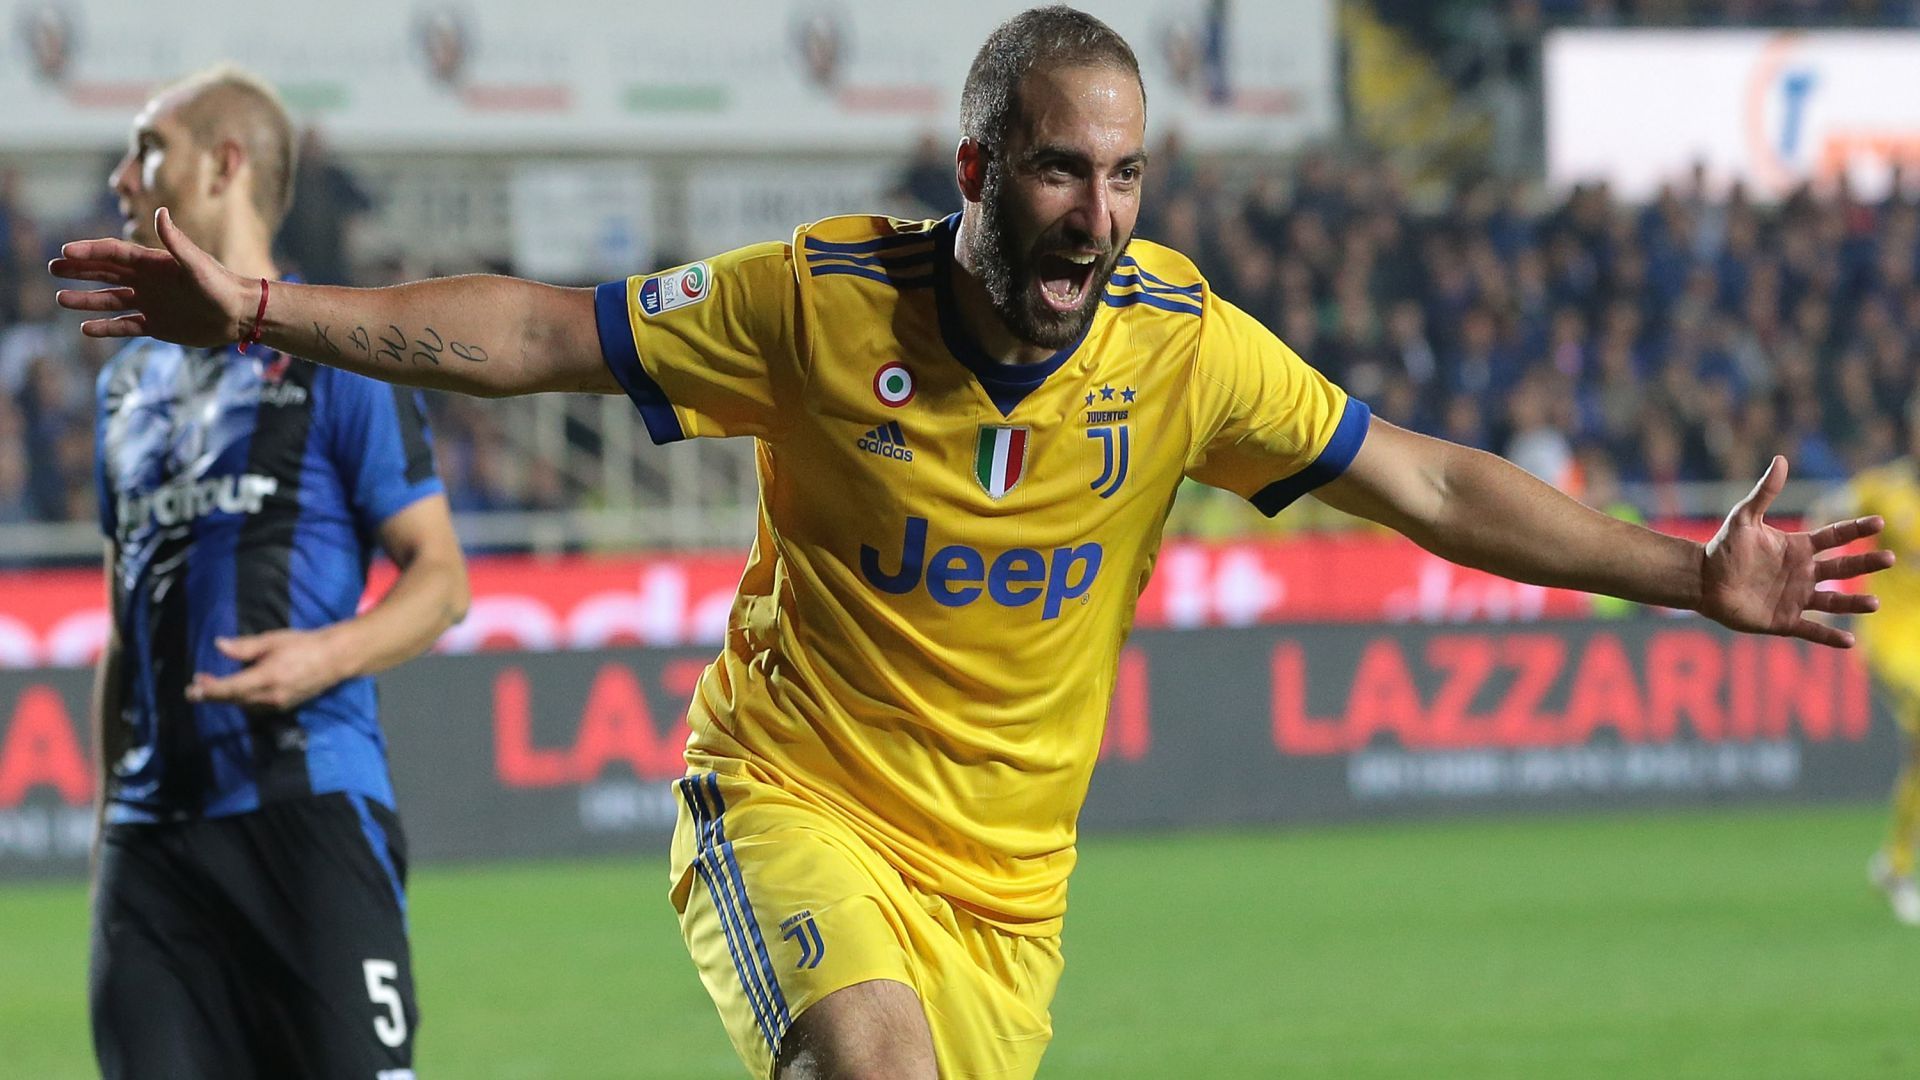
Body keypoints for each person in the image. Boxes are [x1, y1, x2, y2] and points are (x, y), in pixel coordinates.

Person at [51, 9, 1890, 1079]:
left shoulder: (1185, 347)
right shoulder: (811, 303)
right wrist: (270, 312)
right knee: (870, 1062)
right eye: (1060, 171)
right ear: (974, 167)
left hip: (1007, 893)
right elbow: (539, 332)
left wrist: (1686, 572)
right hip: (790, 795)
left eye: (1125, 177)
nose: (1096, 214)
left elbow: (1422, 483)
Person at [74, 66, 468, 1078]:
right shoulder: (123, 385)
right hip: (150, 849)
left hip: (308, 815)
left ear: (226, 164)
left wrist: (323, 656)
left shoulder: (338, 354)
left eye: (147, 149)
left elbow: (440, 581)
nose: (122, 177)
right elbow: (124, 627)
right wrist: (109, 833)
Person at [1814, 403, 1920, 925]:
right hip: (1888, 638)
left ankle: (1895, 866)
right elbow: (1827, 511)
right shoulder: (1886, 488)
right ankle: (1897, 868)